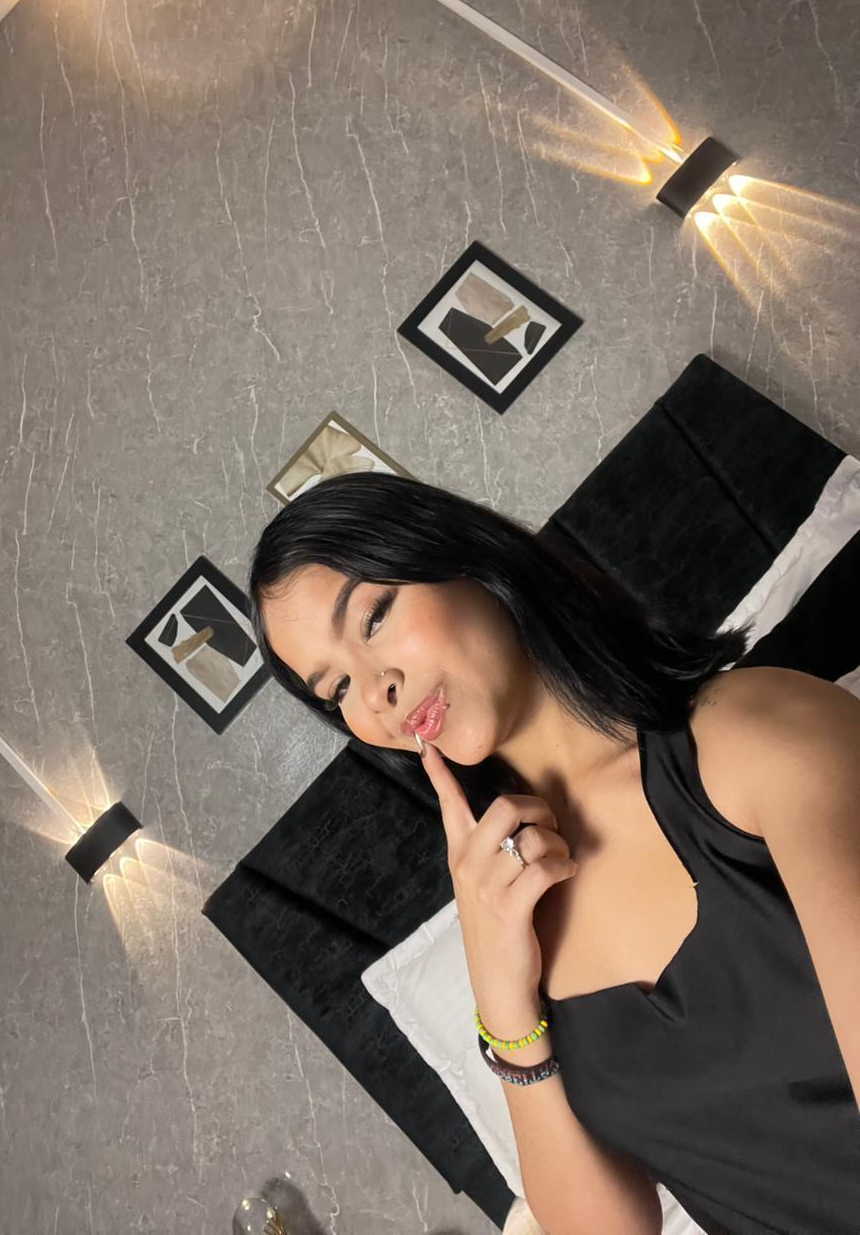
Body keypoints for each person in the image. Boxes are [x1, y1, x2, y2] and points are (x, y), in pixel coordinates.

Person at [248, 470, 860, 1235]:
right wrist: (501, 999)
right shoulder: (515, 923)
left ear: (468, 558)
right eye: (337, 689)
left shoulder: (754, 737)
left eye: (373, 616)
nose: (377, 694)